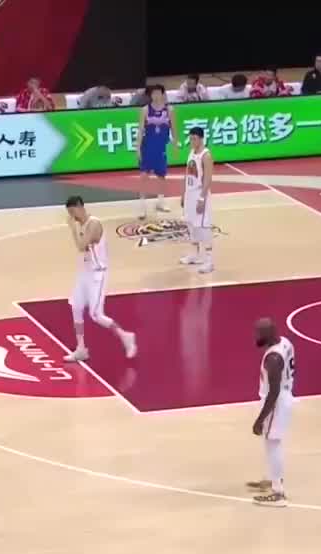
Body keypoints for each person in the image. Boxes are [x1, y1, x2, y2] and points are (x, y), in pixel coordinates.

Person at [63, 196, 138, 363]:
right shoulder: (80, 224)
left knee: (96, 315)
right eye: (69, 213)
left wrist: (72, 228)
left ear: (80, 206)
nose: (72, 216)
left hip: (97, 274)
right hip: (84, 272)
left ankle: (126, 336)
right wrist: (75, 227)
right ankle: (81, 349)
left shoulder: (94, 224)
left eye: (72, 211)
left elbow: (81, 246)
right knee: (76, 307)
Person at [247, 318, 295, 507]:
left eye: (259, 333)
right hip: (284, 395)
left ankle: (278, 493)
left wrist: (260, 419)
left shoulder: (273, 359)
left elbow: (273, 392)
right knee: (271, 443)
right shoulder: (285, 342)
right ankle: (271, 478)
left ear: (267, 335)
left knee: (273, 444)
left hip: (276, 402)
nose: (256, 336)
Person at [137, 84, 176, 219]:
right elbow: (140, 130)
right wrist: (137, 148)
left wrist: (175, 145)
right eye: (154, 93)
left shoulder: (169, 110)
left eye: (159, 93)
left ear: (163, 94)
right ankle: (142, 207)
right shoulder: (145, 110)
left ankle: (161, 202)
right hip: (147, 147)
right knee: (144, 177)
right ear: (150, 95)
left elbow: (173, 129)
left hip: (161, 148)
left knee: (161, 176)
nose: (156, 96)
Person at [180, 126, 215, 273]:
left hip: (200, 194)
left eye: (194, 139)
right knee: (191, 224)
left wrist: (202, 198)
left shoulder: (206, 155)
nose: (192, 141)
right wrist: (184, 193)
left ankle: (209, 261)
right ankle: (195, 255)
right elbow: (188, 174)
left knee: (203, 227)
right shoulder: (191, 152)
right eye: (190, 139)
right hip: (190, 194)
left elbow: (208, 178)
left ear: (201, 139)